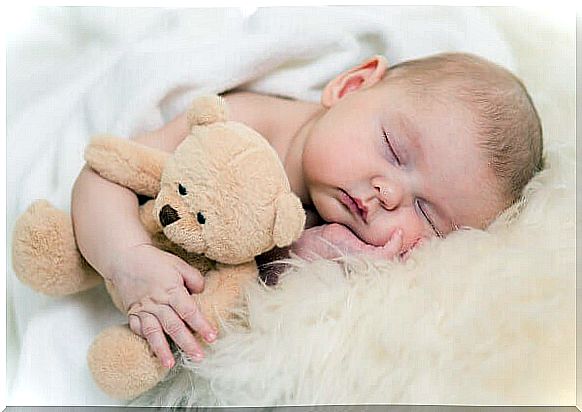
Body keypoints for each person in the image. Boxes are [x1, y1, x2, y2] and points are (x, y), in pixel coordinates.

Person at [70, 52, 543, 370]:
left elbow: (251, 284)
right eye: (394, 150)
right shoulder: (238, 129)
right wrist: (126, 258)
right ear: (351, 86)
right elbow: (104, 174)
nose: (389, 193)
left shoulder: (341, 232)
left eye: (426, 212)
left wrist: (311, 256)